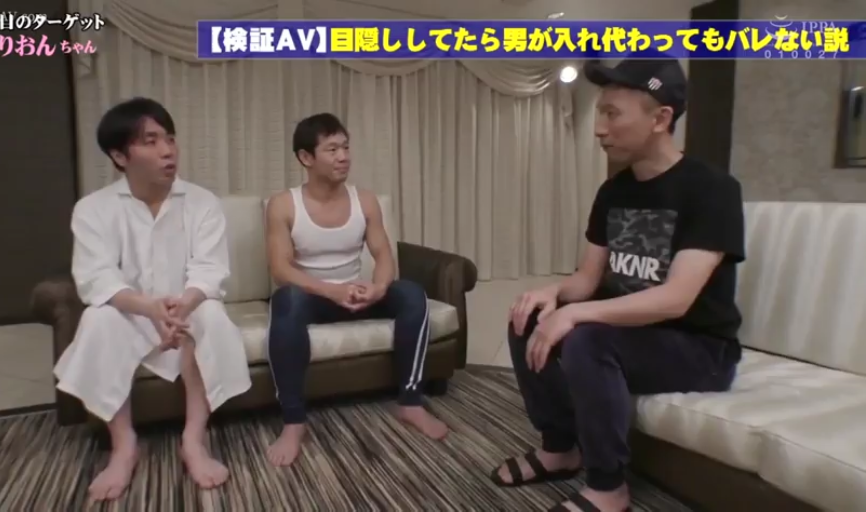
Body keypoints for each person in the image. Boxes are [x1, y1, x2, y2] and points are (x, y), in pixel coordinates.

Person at [489, 56, 745, 512]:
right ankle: (560, 448)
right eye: (599, 113)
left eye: (612, 114)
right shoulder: (613, 191)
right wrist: (553, 294)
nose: (599, 129)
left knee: (586, 339)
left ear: (660, 119)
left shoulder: (712, 190)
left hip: (698, 348)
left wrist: (576, 314)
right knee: (526, 318)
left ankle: (609, 487)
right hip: (630, 334)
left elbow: (675, 299)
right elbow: (587, 280)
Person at [53, 98, 252, 501]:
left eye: (170, 139)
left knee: (211, 316)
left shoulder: (202, 202)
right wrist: (149, 308)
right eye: (151, 141)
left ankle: (193, 440)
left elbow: (210, 269)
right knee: (98, 318)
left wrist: (182, 307)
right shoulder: (93, 209)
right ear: (119, 156)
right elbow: (96, 279)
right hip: (131, 312)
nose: (168, 150)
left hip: (186, 308)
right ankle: (124, 445)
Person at [263, 113, 449, 467]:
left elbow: (384, 254)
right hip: (313, 298)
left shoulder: (364, 200)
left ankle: (410, 402)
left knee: (411, 293)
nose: (343, 157)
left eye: (346, 147)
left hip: (357, 294)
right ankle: (294, 421)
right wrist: (330, 291)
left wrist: (379, 287)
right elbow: (281, 270)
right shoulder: (284, 205)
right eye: (332, 149)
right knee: (286, 301)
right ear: (306, 157)